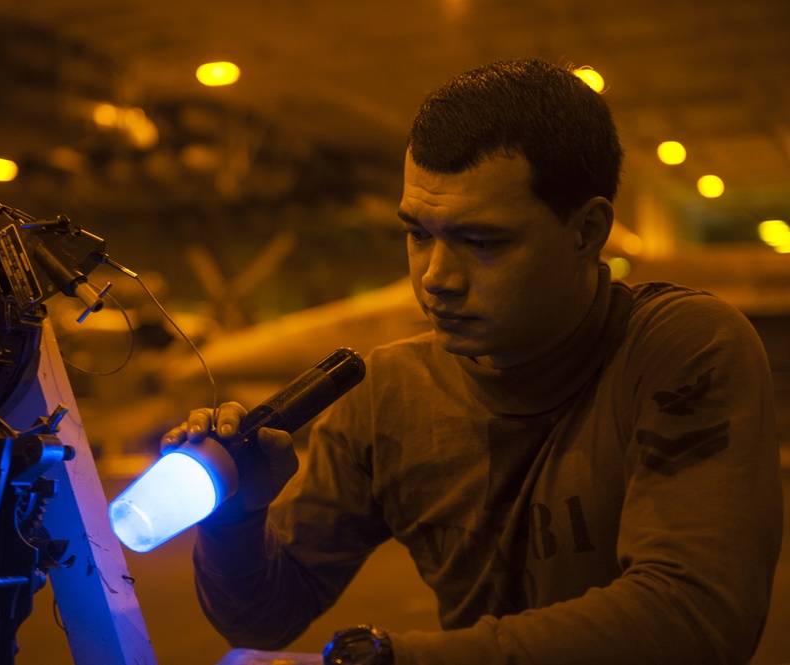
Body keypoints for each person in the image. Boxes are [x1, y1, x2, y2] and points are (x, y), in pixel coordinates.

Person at [161, 58, 783, 664]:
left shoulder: (681, 347)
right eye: (418, 234)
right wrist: (238, 516)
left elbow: (695, 618)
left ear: (587, 232)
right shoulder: (387, 393)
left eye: (482, 242)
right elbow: (265, 616)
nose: (436, 278)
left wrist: (396, 660)